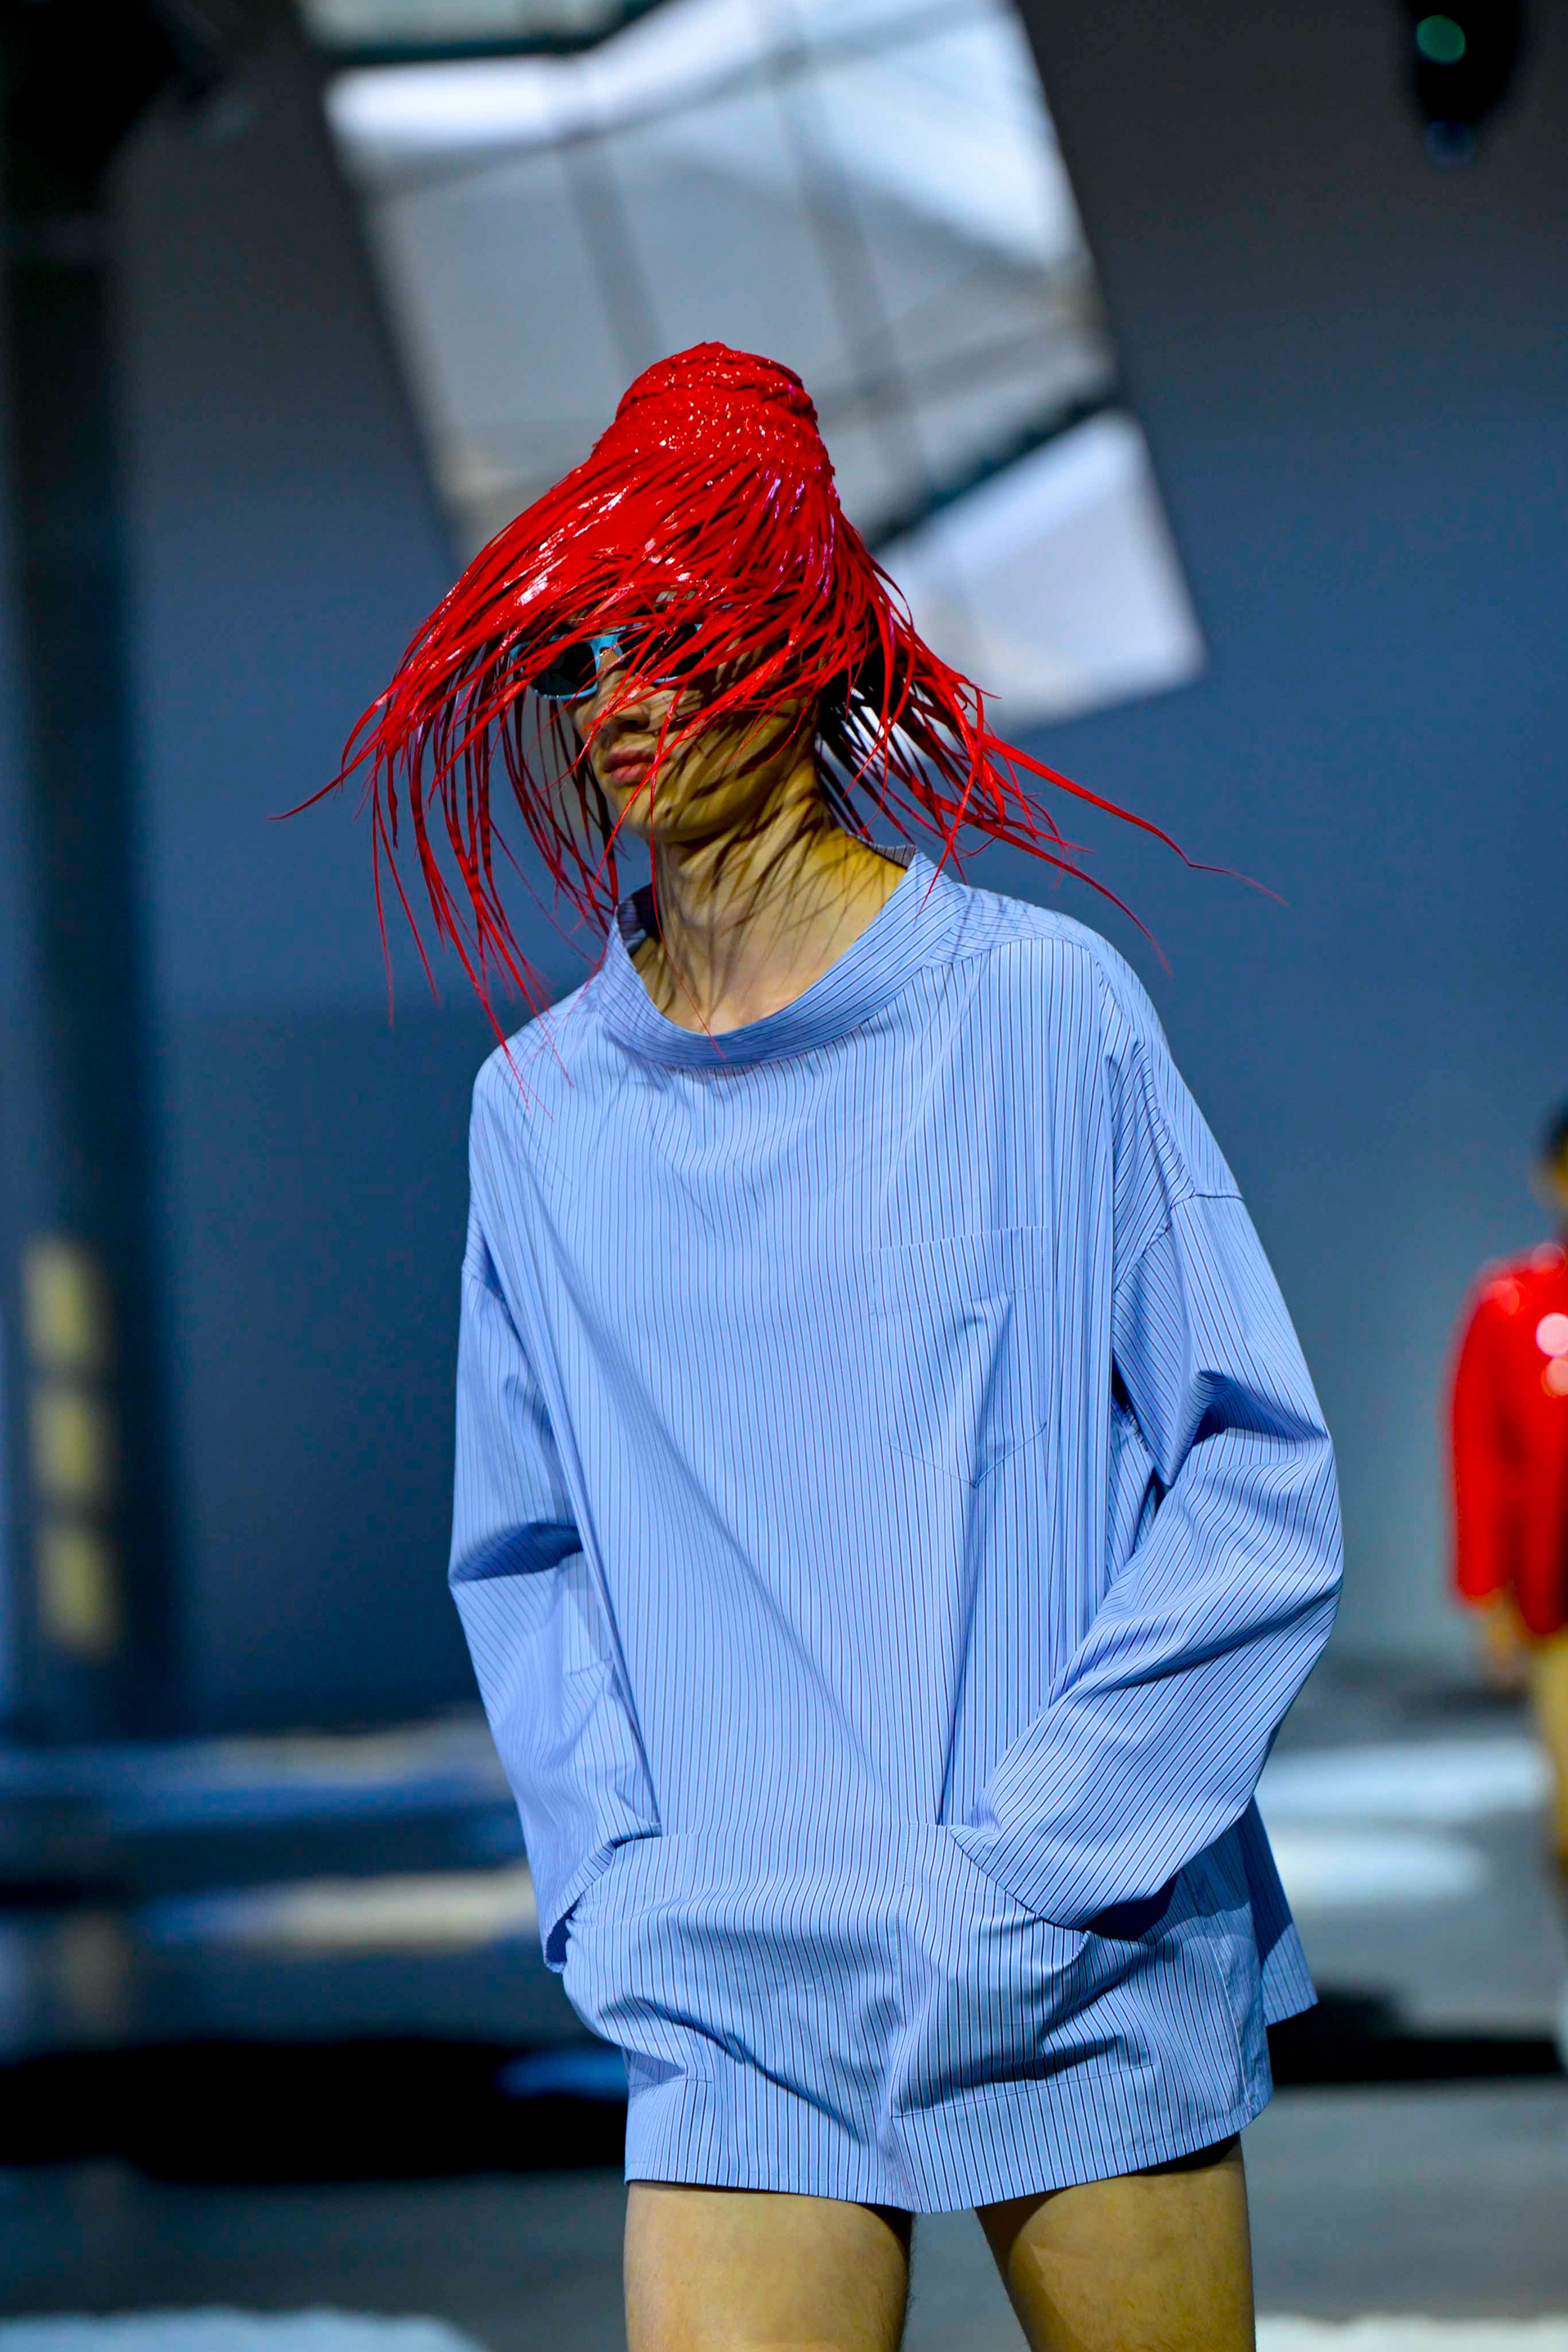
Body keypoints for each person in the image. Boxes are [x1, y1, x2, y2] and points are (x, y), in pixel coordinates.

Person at [327, 345, 1343, 2351]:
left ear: (806, 644)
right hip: (734, 1985)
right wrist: (617, 1887)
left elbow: (1254, 1475)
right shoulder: (540, 1112)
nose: (618, 694)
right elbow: (524, 1556)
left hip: (1075, 1945)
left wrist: (1037, 1867)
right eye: (583, 650)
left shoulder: (1042, 1015)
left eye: (677, 629)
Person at [1450, 1102, 1568, 1899]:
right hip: (1555, 1599)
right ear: (1549, 1178)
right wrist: (1489, 1595)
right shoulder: (1512, 1304)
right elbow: (1481, 1451)